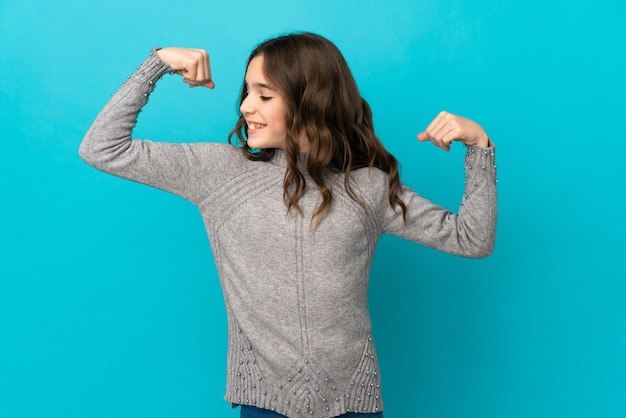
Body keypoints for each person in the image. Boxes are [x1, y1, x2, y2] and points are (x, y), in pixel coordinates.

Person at [79, 32, 497, 418]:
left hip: (355, 402)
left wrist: (479, 147)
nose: (245, 106)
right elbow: (101, 148)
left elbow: (472, 239)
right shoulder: (218, 173)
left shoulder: (367, 187)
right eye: (247, 92)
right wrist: (157, 63)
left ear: (309, 100)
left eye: (264, 95)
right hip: (264, 403)